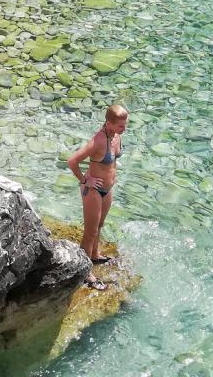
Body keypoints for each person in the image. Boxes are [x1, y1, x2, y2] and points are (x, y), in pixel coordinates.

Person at [66, 104, 129, 290]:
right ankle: (85, 272)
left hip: (107, 189)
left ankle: (95, 254)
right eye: (120, 126)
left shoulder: (116, 137)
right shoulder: (98, 140)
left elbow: (112, 162)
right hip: (93, 191)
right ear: (109, 123)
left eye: (125, 125)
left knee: (100, 225)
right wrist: (85, 180)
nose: (124, 129)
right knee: (90, 231)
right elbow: (72, 161)